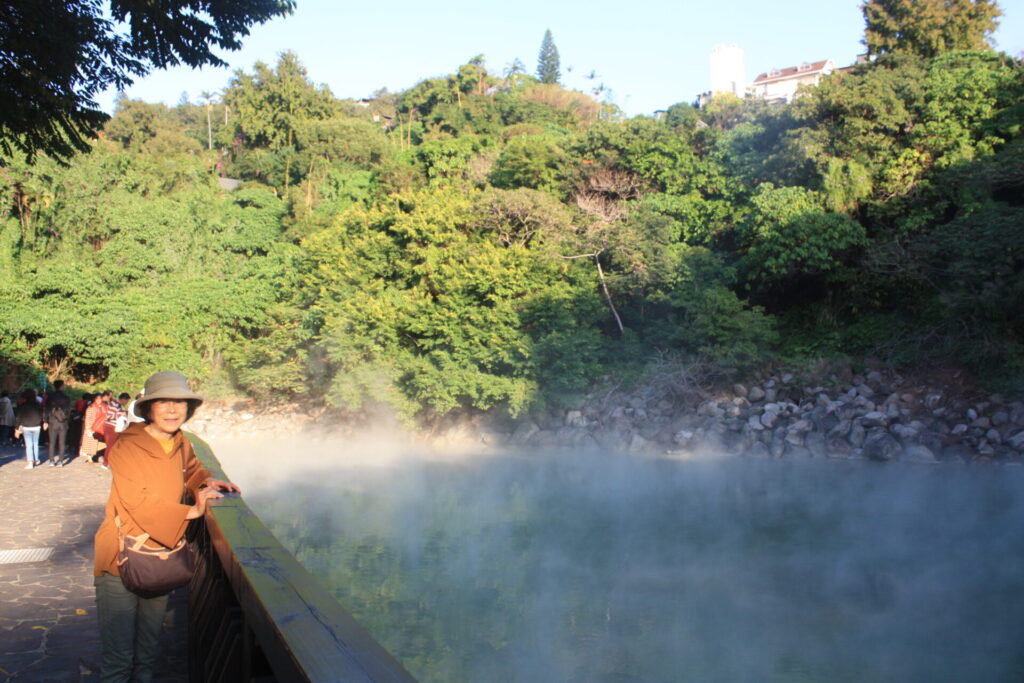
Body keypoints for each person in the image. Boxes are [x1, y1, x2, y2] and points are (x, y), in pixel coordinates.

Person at [92, 371, 240, 683]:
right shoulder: (127, 447)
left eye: (180, 403)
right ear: (148, 408)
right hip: (121, 557)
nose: (173, 409)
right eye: (164, 402)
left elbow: (191, 469)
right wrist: (193, 511)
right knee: (119, 660)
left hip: (160, 558)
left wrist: (207, 481)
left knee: (147, 654)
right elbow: (139, 503)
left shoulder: (179, 442)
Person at [44, 379, 72, 467]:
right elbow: (68, 411)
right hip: (63, 422)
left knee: (52, 442)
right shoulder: (66, 397)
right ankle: (60, 461)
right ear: (61, 386)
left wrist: (45, 421)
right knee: (62, 442)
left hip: (52, 421)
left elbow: (46, 409)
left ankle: (51, 461)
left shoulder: (50, 396)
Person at [14, 389, 44, 469]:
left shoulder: (23, 406)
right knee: (35, 443)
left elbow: (18, 418)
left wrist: (17, 428)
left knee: (29, 445)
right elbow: (42, 414)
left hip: (26, 426)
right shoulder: (38, 405)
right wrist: (44, 422)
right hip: (37, 426)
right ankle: (36, 459)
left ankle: (30, 462)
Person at [80, 393, 104, 464]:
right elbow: (87, 418)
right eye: (98, 399)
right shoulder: (91, 407)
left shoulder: (102, 407)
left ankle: (92, 457)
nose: (99, 400)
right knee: (89, 442)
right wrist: (88, 428)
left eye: (100, 398)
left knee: (94, 443)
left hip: (98, 427)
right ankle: (89, 458)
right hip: (91, 427)